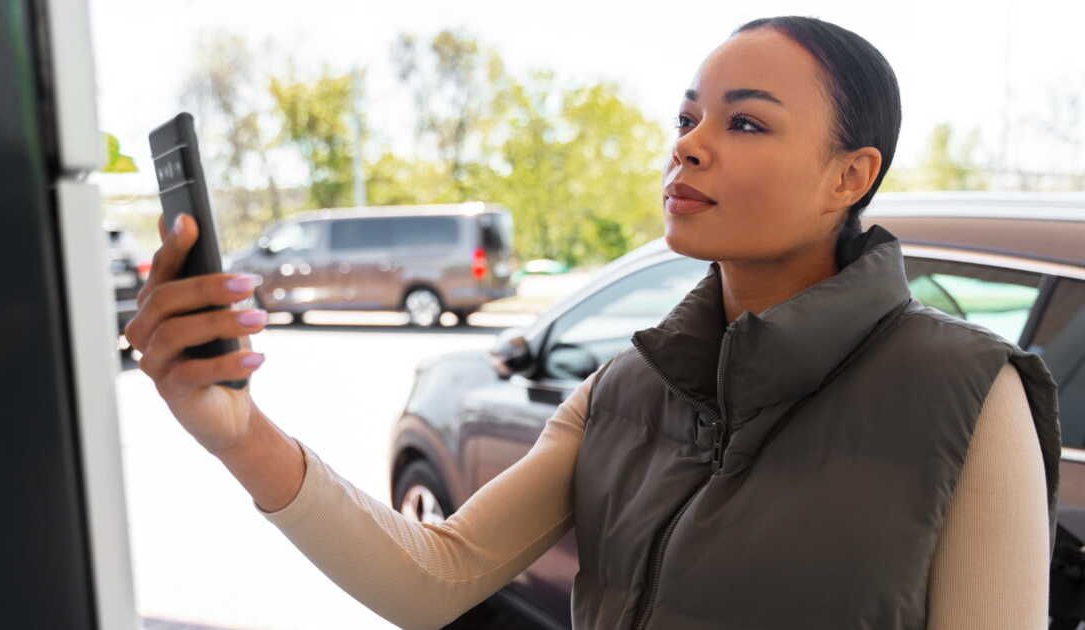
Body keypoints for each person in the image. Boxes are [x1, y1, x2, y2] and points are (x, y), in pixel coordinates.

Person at [123, 16, 1061, 630]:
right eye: (688, 115)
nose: (687, 142)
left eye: (744, 124)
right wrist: (239, 434)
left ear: (849, 178)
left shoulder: (966, 394)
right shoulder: (626, 388)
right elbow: (434, 576)